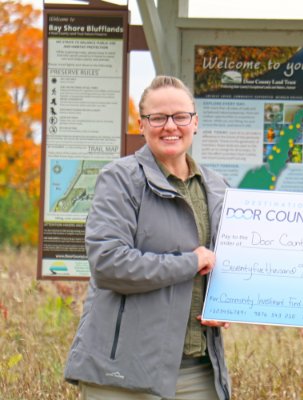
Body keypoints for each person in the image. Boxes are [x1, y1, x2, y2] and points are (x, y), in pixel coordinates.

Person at [64, 76, 232, 400]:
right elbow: (109, 263)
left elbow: (241, 265)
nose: (170, 126)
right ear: (142, 125)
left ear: (194, 122)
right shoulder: (119, 179)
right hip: (123, 375)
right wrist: (190, 262)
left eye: (180, 116)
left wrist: (229, 301)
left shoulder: (217, 186)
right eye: (158, 117)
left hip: (198, 370)